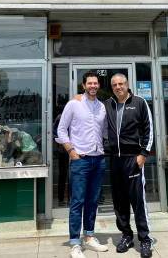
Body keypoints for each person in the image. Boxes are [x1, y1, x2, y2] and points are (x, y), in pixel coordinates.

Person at [56, 71, 109, 258]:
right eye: (90, 83)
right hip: (81, 160)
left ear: (98, 86)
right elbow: (61, 130)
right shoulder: (74, 104)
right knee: (77, 201)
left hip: (98, 159)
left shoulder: (102, 107)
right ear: (83, 86)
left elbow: (104, 132)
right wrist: (71, 151)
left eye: (96, 83)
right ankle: (75, 243)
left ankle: (89, 236)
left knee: (93, 201)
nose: (93, 86)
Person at [105, 73, 154, 258]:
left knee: (138, 201)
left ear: (127, 84)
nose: (118, 87)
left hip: (133, 159)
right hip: (115, 160)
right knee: (119, 202)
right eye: (115, 85)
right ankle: (126, 235)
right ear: (112, 87)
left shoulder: (140, 102)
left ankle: (145, 239)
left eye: (121, 84)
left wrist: (143, 154)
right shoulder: (107, 104)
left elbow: (149, 129)